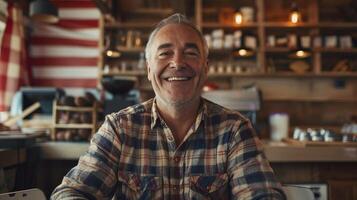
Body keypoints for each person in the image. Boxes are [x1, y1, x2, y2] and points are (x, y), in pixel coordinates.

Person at [51, 13, 285, 200]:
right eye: (165, 53)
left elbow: (263, 195)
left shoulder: (234, 130)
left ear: (205, 68)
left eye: (190, 53)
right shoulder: (120, 129)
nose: (177, 63)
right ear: (149, 69)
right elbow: (71, 193)